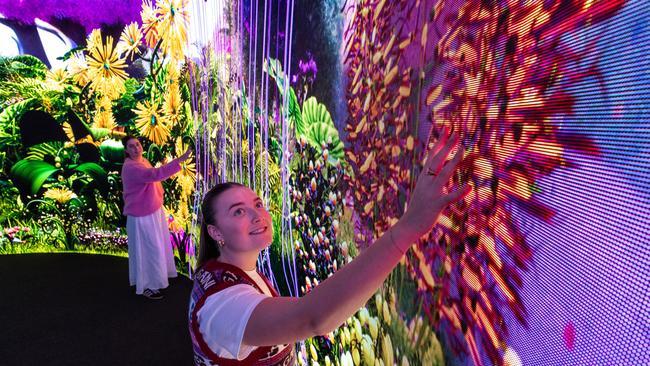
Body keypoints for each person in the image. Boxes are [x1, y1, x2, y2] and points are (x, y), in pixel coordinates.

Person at [189, 128, 471, 364]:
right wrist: (407, 229)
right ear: (215, 232)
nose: (257, 215)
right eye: (238, 211)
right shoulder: (223, 306)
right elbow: (312, 318)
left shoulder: (233, 273)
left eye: (258, 204)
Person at [121, 135, 191, 300]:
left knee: (156, 246)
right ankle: (147, 285)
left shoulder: (141, 160)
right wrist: (179, 160)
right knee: (148, 249)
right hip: (141, 216)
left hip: (152, 211)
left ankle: (158, 278)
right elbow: (154, 175)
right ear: (126, 150)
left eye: (137, 144)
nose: (136, 148)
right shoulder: (131, 167)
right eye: (131, 146)